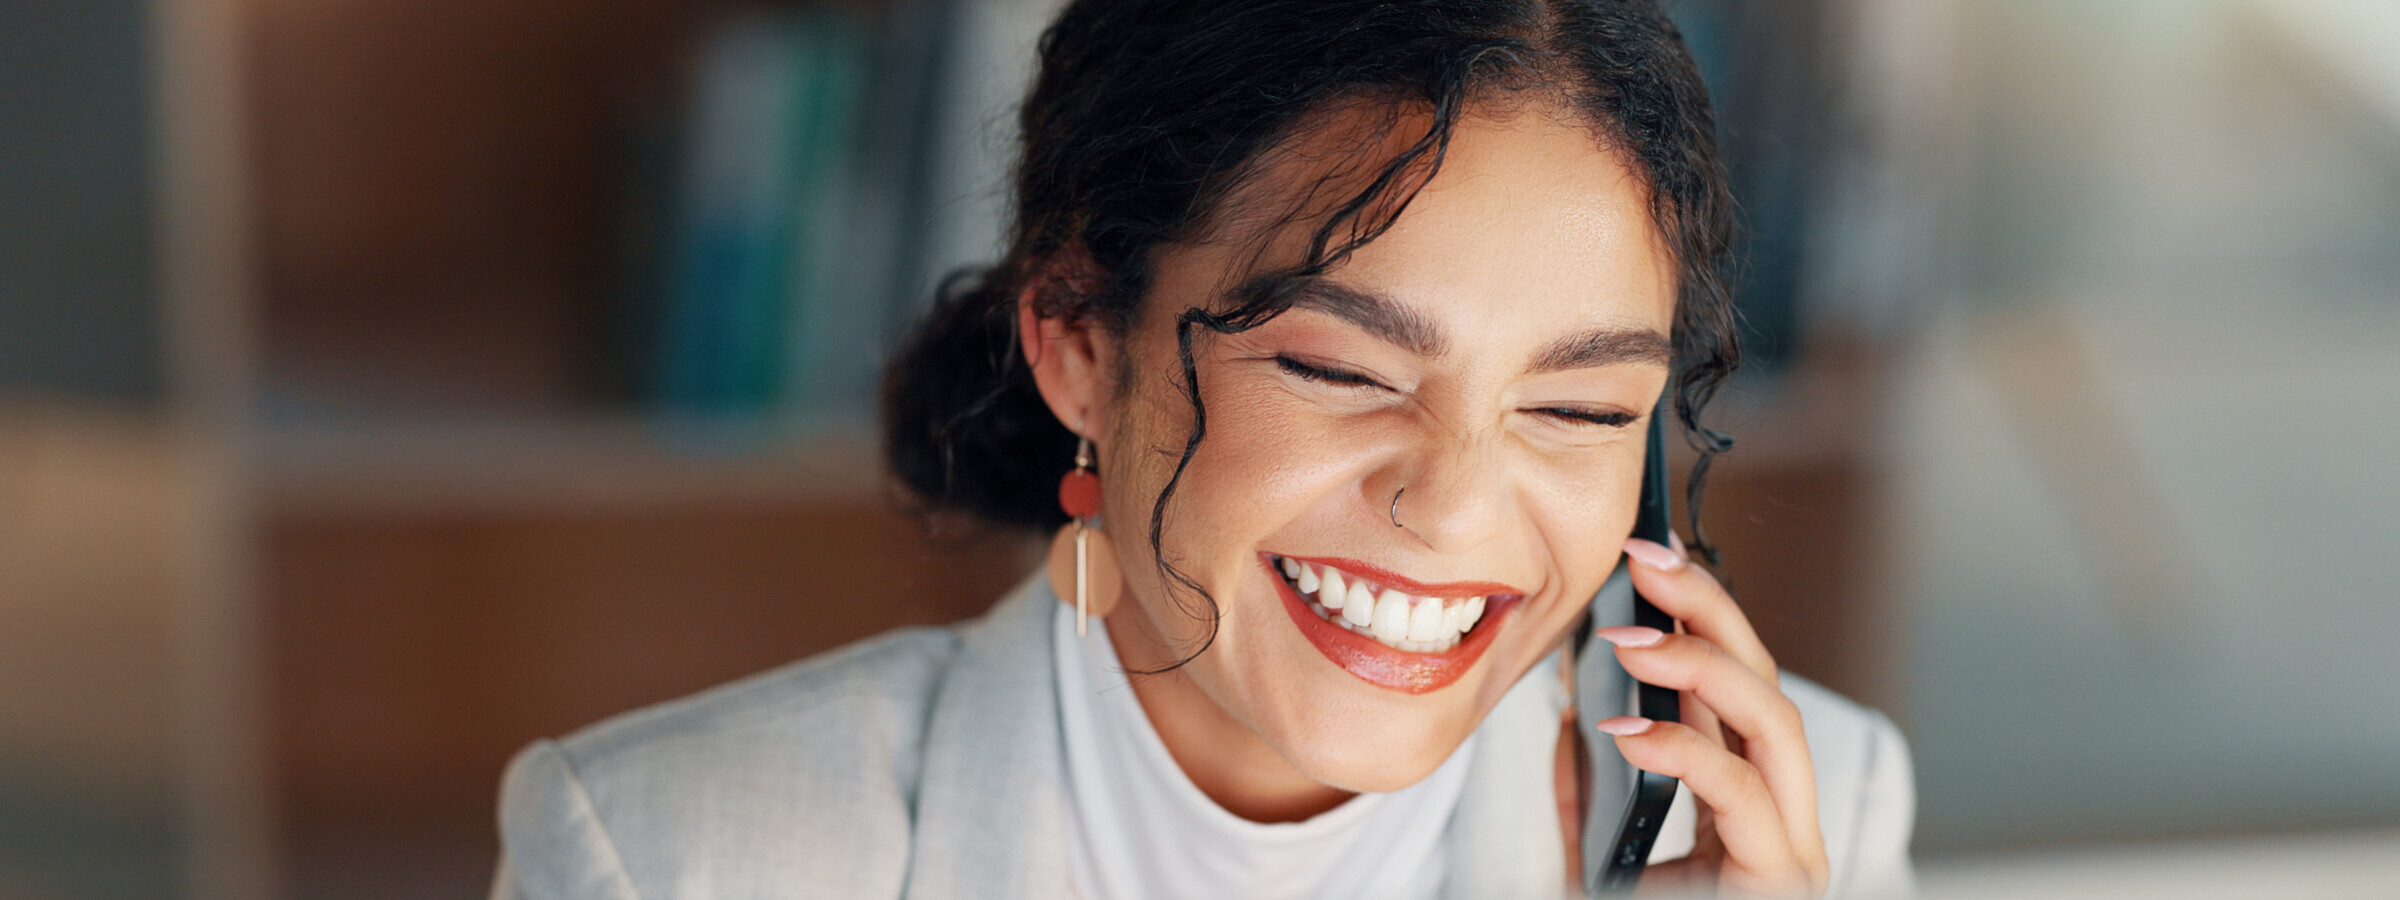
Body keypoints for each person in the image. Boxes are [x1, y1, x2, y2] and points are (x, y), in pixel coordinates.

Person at [490, 1, 1915, 897]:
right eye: (1340, 368)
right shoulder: (664, 855)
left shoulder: (1804, 832)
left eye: (1584, 408)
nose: (1458, 504)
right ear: (1075, 341)